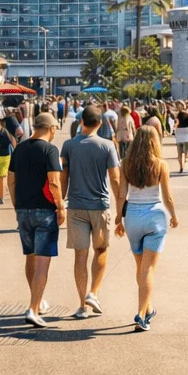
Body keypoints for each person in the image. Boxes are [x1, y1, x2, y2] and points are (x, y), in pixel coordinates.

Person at [114, 126, 178, 331]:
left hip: (133, 216)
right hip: (154, 218)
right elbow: (167, 197)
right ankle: (141, 315)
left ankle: (147, 307)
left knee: (141, 268)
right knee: (148, 269)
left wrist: (118, 218)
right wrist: (175, 216)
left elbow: (121, 194)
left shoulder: (126, 164)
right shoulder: (161, 165)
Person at [60, 106, 121, 318]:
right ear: (101, 124)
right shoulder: (107, 146)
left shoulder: (68, 145)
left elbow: (63, 177)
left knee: (80, 256)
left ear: (81, 122)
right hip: (100, 205)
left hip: (75, 206)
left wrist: (60, 202)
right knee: (101, 250)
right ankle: (93, 293)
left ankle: (81, 305)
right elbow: (114, 178)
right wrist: (121, 207)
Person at [8, 112, 65, 328]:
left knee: (30, 257)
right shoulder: (50, 150)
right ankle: (33, 308)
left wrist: (16, 204)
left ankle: (36, 301)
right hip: (45, 211)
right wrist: (61, 207)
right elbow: (54, 182)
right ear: (51, 129)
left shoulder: (20, 148)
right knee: (43, 262)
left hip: (23, 209)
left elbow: (10, 180)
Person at [0, 113, 15, 205]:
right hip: (5, 155)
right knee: (3, 177)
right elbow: (10, 142)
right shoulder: (3, 130)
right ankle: (2, 197)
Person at [175, 104, 188, 174]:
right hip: (187, 132)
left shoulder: (178, 115)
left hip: (180, 133)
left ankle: (181, 167)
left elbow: (176, 123)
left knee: (180, 153)